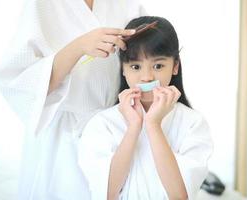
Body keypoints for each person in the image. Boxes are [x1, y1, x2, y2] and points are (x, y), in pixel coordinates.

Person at [0, 0, 146, 199]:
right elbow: (18, 81)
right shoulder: (40, 5)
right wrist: (78, 47)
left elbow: (145, 55)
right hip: (62, 140)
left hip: (114, 131)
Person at [78, 16, 213, 200]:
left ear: (175, 66)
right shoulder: (103, 124)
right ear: (123, 69)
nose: (147, 77)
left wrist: (153, 125)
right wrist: (134, 128)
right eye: (135, 66)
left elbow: (180, 196)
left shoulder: (193, 123)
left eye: (158, 65)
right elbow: (107, 194)